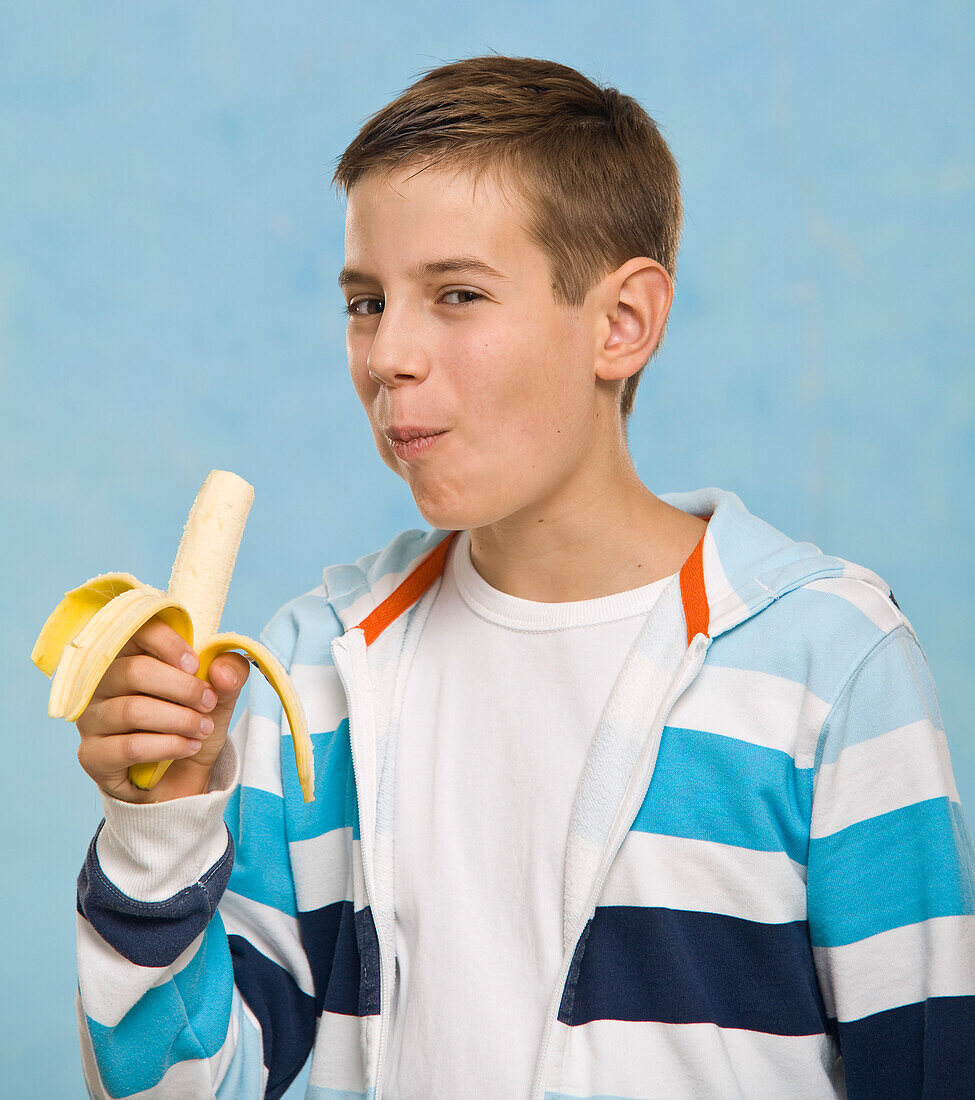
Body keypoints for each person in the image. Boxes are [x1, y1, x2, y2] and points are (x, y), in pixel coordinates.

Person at [73, 56, 974, 1100]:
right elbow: (186, 1089)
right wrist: (159, 827)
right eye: (366, 302)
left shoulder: (830, 664)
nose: (389, 356)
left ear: (622, 323)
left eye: (456, 293)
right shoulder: (309, 668)